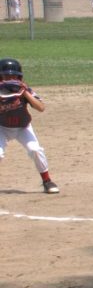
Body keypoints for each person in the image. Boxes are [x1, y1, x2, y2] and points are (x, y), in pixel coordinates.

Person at [0, 57, 60, 194]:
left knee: (35, 150)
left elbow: (41, 108)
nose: (10, 77)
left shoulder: (24, 89)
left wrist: (25, 93)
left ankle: (47, 181)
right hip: (1, 127)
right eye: (6, 75)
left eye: (13, 75)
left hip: (22, 127)